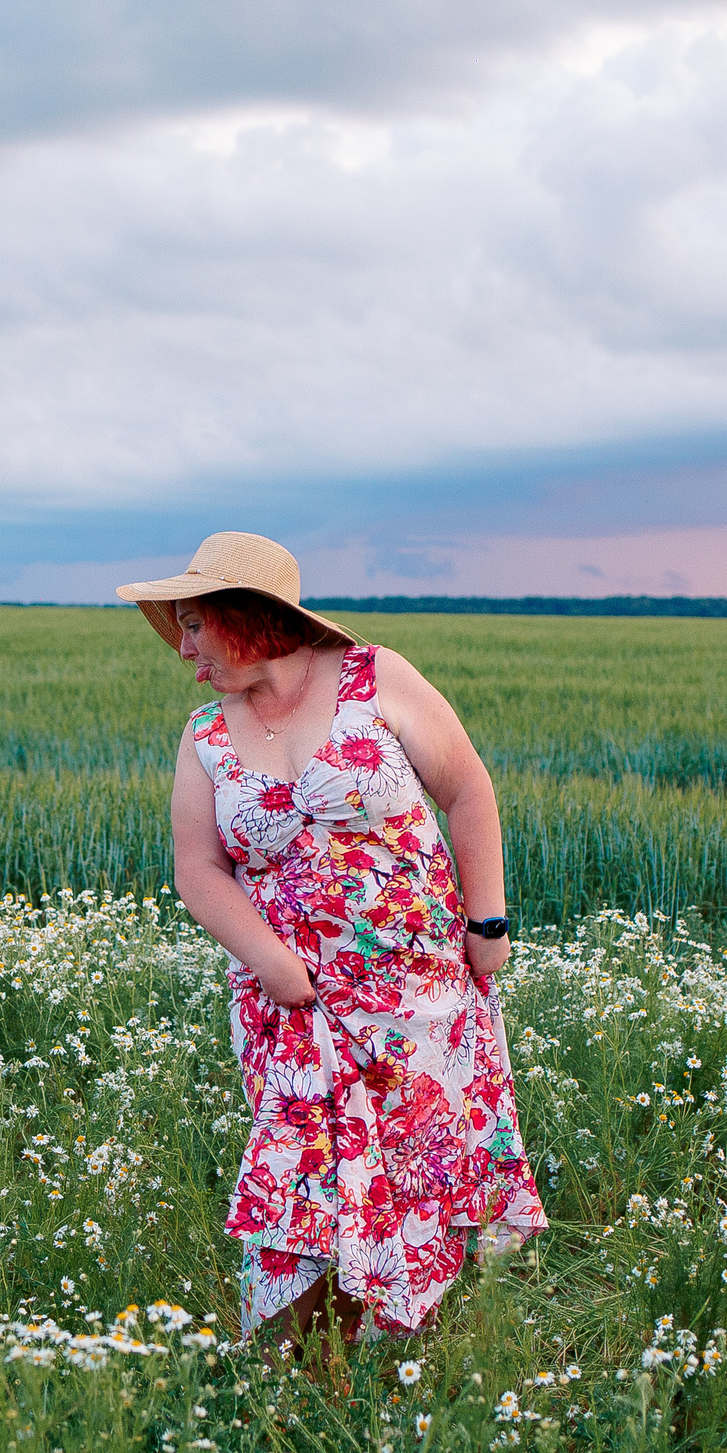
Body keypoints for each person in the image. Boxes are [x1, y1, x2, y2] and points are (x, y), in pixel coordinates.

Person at [117, 531, 546, 1349]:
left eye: (195, 624)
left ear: (251, 617)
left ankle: (402, 1360)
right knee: (304, 1189)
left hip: (419, 996)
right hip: (295, 1011)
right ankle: (300, 1381)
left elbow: (466, 787)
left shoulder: (374, 678)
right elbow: (198, 870)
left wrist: (488, 920)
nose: (183, 648)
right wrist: (277, 967)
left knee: (418, 1169)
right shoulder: (205, 735)